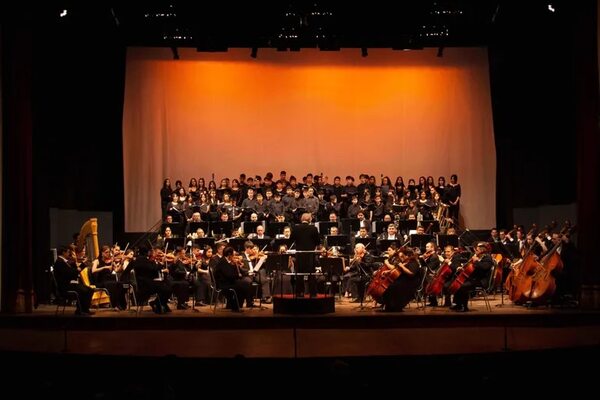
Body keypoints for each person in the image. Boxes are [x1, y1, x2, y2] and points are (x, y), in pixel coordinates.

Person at [451, 242, 493, 312]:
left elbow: (484, 268)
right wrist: (463, 268)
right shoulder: (477, 257)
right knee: (458, 282)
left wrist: (476, 261)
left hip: (482, 281)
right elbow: (471, 268)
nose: (475, 252)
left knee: (463, 286)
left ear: (482, 251)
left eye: (477, 250)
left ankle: (464, 306)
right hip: (474, 279)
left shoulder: (487, 258)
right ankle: (458, 304)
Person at [53, 245, 94, 315]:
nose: (70, 254)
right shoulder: (59, 262)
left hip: (68, 285)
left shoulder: (63, 262)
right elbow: (71, 273)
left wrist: (75, 261)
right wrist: (82, 265)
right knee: (85, 290)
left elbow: (72, 272)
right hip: (65, 288)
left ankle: (83, 310)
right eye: (68, 252)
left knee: (89, 289)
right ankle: (81, 310)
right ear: (63, 252)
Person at [381, 246, 421, 312]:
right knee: (389, 287)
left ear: (408, 255)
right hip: (403, 280)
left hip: (411, 282)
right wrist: (388, 272)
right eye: (400, 257)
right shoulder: (405, 261)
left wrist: (402, 266)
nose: (401, 258)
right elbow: (397, 270)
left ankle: (396, 307)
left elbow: (411, 273)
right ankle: (390, 306)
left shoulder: (414, 262)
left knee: (393, 287)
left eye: (402, 256)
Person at [290, 212, 320, 297]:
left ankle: (299, 293)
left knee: (299, 274)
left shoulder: (296, 228)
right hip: (310, 255)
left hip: (299, 255)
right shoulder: (313, 228)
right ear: (310, 219)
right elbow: (318, 242)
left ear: (301, 219)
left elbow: (291, 239)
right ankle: (313, 294)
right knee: (311, 275)